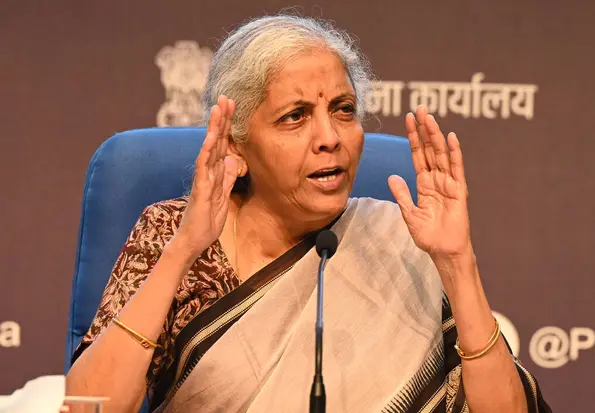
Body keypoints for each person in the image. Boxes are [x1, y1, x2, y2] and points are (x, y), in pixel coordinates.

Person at [66, 14, 552, 413]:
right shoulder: (173, 231)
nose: (330, 137)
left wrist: (458, 264)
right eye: (294, 116)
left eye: (343, 109)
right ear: (236, 140)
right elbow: (93, 407)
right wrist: (182, 252)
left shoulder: (403, 238)